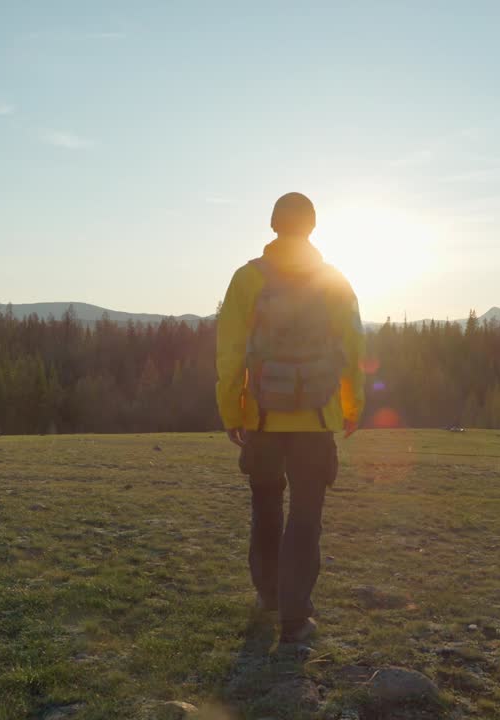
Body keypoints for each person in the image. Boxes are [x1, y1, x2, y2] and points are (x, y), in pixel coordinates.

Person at [215, 192, 365, 645]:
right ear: (313, 226)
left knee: (264, 506)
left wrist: (231, 410)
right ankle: (296, 618)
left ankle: (268, 596)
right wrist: (352, 407)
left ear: (274, 224)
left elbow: (229, 354)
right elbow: (354, 351)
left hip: (261, 419)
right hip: (317, 422)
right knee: (305, 517)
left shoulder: (247, 279)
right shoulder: (334, 280)